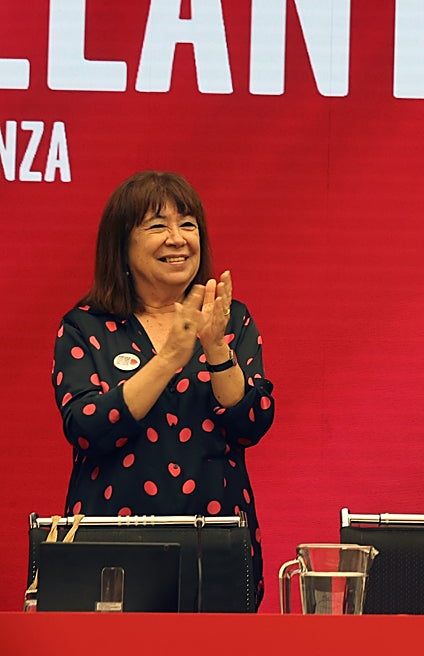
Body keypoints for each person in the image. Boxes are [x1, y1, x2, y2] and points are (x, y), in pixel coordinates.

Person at [51, 170, 274, 606]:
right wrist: (170, 357)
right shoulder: (84, 326)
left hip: (217, 544)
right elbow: (87, 428)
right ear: (123, 245)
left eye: (187, 225)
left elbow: (251, 422)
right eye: (158, 226)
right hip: (111, 545)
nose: (178, 239)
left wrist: (214, 346)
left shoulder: (233, 319)